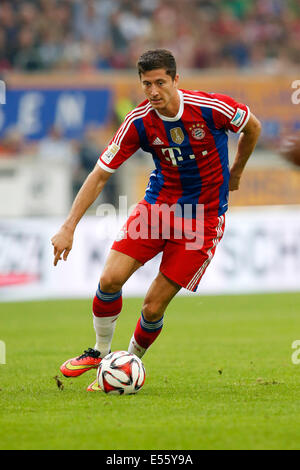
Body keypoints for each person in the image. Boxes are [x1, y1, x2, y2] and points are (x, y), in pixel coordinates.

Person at [51, 49, 261, 391]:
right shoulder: (138, 121)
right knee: (109, 279)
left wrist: (236, 171)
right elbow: (100, 174)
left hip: (201, 219)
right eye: (146, 84)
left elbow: (252, 127)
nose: (153, 91)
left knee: (152, 307)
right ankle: (100, 352)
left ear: (176, 80)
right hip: (157, 209)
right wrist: (68, 225)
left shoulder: (210, 108)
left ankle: (129, 364)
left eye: (160, 82)